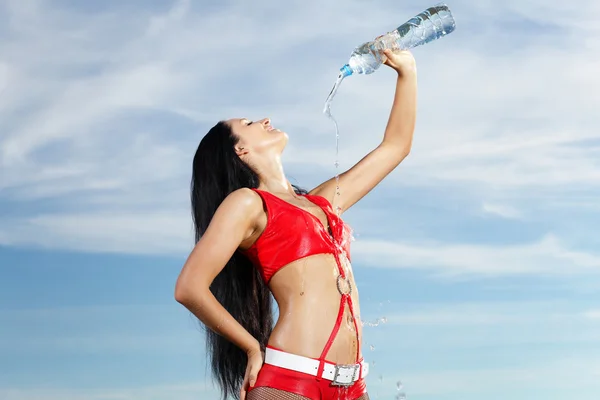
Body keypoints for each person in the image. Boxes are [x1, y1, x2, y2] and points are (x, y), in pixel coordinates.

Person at [175, 49, 417, 400]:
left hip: (353, 386)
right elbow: (189, 287)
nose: (264, 120)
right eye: (248, 124)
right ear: (240, 151)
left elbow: (396, 147)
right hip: (292, 383)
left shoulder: (321, 203)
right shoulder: (248, 204)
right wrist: (251, 348)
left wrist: (406, 72)